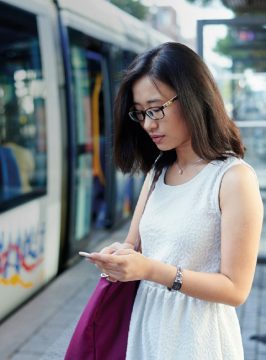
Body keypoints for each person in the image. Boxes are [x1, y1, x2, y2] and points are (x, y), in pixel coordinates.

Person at [87, 42, 263, 359]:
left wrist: (152, 271)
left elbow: (236, 289)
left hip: (198, 339)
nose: (148, 124)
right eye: (140, 113)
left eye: (156, 109)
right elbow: (135, 246)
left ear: (193, 97)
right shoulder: (158, 170)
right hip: (146, 327)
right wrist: (118, 257)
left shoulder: (233, 178)